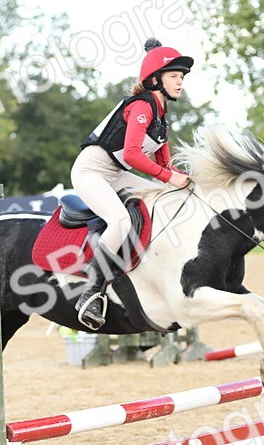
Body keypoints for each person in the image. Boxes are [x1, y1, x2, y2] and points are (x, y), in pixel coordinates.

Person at [70, 38, 194, 330]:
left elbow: (165, 167)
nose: (180, 82)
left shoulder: (161, 118)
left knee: (166, 198)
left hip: (116, 173)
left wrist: (183, 181)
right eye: (175, 76)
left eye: (182, 77)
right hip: (92, 171)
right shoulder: (142, 105)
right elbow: (132, 154)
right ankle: (92, 291)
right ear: (155, 80)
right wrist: (169, 177)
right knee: (120, 221)